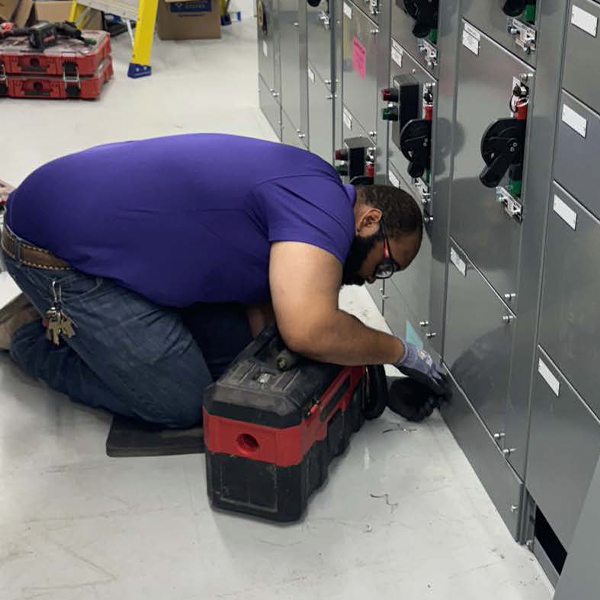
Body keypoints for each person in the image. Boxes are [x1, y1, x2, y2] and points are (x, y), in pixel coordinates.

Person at [0, 134, 445, 427]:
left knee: (233, 356)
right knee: (181, 400)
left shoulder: (314, 183)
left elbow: (267, 316)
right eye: (385, 264)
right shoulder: (324, 212)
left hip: (74, 219)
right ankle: (29, 336)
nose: (370, 279)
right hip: (56, 257)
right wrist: (400, 353)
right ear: (369, 220)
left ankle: (77, 322)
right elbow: (309, 329)